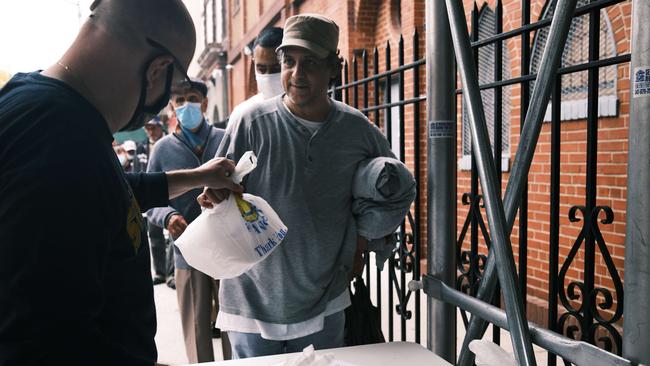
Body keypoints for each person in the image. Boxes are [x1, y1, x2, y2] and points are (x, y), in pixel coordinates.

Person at [0, 1, 242, 365]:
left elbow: (109, 191)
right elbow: (40, 341)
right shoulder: (56, 139)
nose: (162, 109)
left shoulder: (55, 114)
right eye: (171, 91)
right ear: (157, 70)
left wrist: (198, 176)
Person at [200, 13, 395, 359]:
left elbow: (392, 188)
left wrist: (362, 241)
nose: (297, 73)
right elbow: (220, 190)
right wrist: (215, 198)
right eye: (289, 61)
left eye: (310, 63)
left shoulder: (357, 130)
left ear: (334, 68)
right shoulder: (249, 121)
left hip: (326, 298)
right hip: (251, 300)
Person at [147, 79, 231, 363]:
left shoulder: (226, 138)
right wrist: (168, 216)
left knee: (235, 323)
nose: (185, 105)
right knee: (196, 327)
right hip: (187, 250)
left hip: (230, 247)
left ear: (204, 103)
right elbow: (149, 201)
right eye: (179, 101)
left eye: (191, 98)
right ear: (172, 107)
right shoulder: (161, 149)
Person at [226, 27, 284, 126]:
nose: (268, 76)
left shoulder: (310, 111)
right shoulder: (243, 116)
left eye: (276, 69)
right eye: (261, 69)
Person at [140, 116, 173, 286]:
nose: (150, 131)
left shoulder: (170, 143)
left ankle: (171, 274)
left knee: (174, 234)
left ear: (161, 127)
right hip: (149, 197)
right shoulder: (141, 148)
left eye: (153, 128)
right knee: (154, 235)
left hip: (168, 193)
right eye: (148, 128)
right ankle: (160, 272)